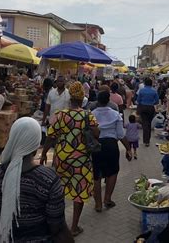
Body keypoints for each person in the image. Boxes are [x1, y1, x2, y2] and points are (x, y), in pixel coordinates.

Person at [0, 118, 73, 243]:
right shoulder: (49, 179)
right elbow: (57, 227)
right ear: (36, 147)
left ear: (12, 140)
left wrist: (5, 214)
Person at [40, 82, 99, 237]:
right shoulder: (88, 115)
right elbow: (97, 134)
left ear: (70, 98)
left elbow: (50, 136)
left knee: (59, 190)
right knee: (78, 192)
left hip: (61, 159)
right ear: (83, 98)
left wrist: (44, 153)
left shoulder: (60, 115)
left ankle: (57, 224)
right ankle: (73, 227)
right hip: (81, 160)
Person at [92, 90, 132, 212]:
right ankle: (107, 199)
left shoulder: (91, 114)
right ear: (109, 100)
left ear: (98, 101)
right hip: (111, 145)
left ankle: (98, 204)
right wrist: (128, 149)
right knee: (113, 172)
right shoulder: (115, 114)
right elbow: (121, 135)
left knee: (96, 175)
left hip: (96, 145)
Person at [136, 78, 159, 146]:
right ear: (151, 84)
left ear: (145, 83)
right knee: (148, 123)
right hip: (150, 108)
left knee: (145, 123)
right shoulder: (154, 91)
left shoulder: (142, 90)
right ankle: (147, 140)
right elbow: (157, 101)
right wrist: (151, 102)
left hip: (143, 107)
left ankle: (145, 140)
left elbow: (138, 100)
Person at [40, 78, 55, 145]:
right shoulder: (48, 92)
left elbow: (47, 108)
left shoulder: (51, 93)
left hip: (50, 115)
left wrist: (43, 121)